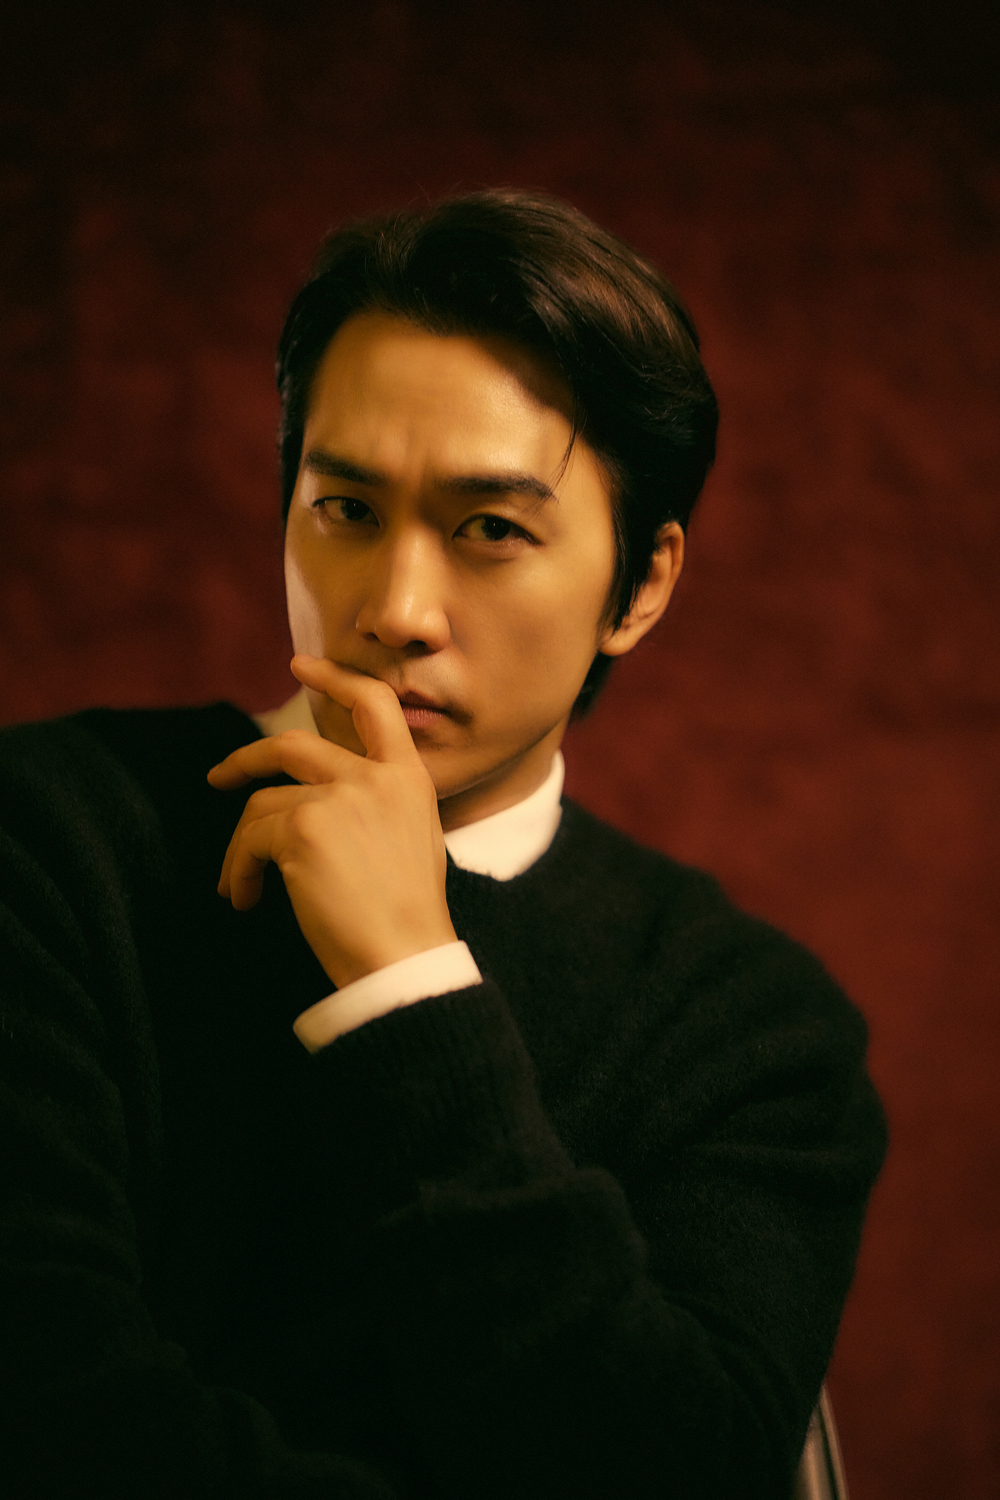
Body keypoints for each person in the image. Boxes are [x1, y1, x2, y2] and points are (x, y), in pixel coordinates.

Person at [0, 190, 886, 1500]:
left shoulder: (754, 1030)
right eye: (346, 509)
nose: (398, 610)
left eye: (491, 530)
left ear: (641, 585)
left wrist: (408, 989)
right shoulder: (48, 837)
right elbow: (51, 1413)